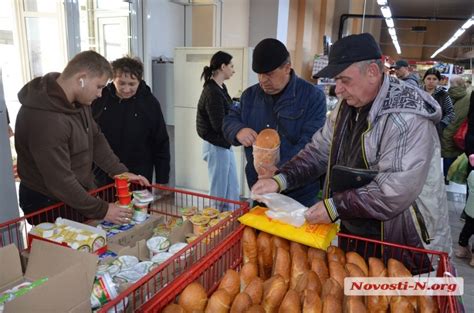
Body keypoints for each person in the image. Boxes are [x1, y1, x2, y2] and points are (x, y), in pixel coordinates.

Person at [251, 33, 451, 271]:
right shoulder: (348, 106)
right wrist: (281, 179)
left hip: (403, 239)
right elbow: (319, 150)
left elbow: (394, 190)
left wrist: (335, 207)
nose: (338, 90)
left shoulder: (406, 117)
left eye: (344, 80)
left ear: (373, 73)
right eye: (337, 80)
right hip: (356, 229)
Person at [15, 50, 149, 225]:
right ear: (81, 78)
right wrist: (103, 209)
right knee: (64, 251)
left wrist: (120, 172)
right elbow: (60, 181)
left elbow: (96, 138)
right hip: (47, 202)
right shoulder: (45, 119)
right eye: (99, 86)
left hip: (75, 195)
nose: (101, 94)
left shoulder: (79, 102)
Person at [222, 38, 327, 207]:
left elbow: (311, 145)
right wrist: (237, 130)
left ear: (287, 68)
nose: (262, 80)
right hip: (260, 190)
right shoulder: (249, 96)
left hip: (298, 194)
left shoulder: (312, 97)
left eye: (269, 74)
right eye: (259, 74)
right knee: (260, 234)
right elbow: (229, 119)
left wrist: (280, 172)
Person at [92, 56, 170, 186]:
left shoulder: (149, 103)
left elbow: (160, 141)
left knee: (138, 206)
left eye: (132, 84)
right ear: (112, 79)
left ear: (140, 81)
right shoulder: (100, 98)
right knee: (107, 205)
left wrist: (162, 179)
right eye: (121, 83)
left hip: (139, 172)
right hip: (104, 171)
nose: (126, 89)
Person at [196, 51, 240, 205]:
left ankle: (230, 222)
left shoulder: (220, 87)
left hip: (224, 144)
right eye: (231, 66)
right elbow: (219, 125)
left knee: (232, 187)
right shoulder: (212, 91)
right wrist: (238, 131)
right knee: (219, 191)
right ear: (223, 66)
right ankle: (215, 223)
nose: (233, 70)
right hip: (216, 145)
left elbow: (225, 112)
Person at [441, 76, 470, 181]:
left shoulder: (446, 96)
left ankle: (446, 178)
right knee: (459, 156)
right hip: (462, 133)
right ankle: (456, 176)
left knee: (447, 155)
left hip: (447, 131)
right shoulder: (469, 97)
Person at [422, 68, 455, 136]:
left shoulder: (443, 95)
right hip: (418, 129)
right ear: (424, 80)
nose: (431, 81)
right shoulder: (417, 93)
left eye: (434, 79)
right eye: (428, 78)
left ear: (438, 81)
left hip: (436, 131)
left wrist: (441, 125)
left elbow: (451, 113)